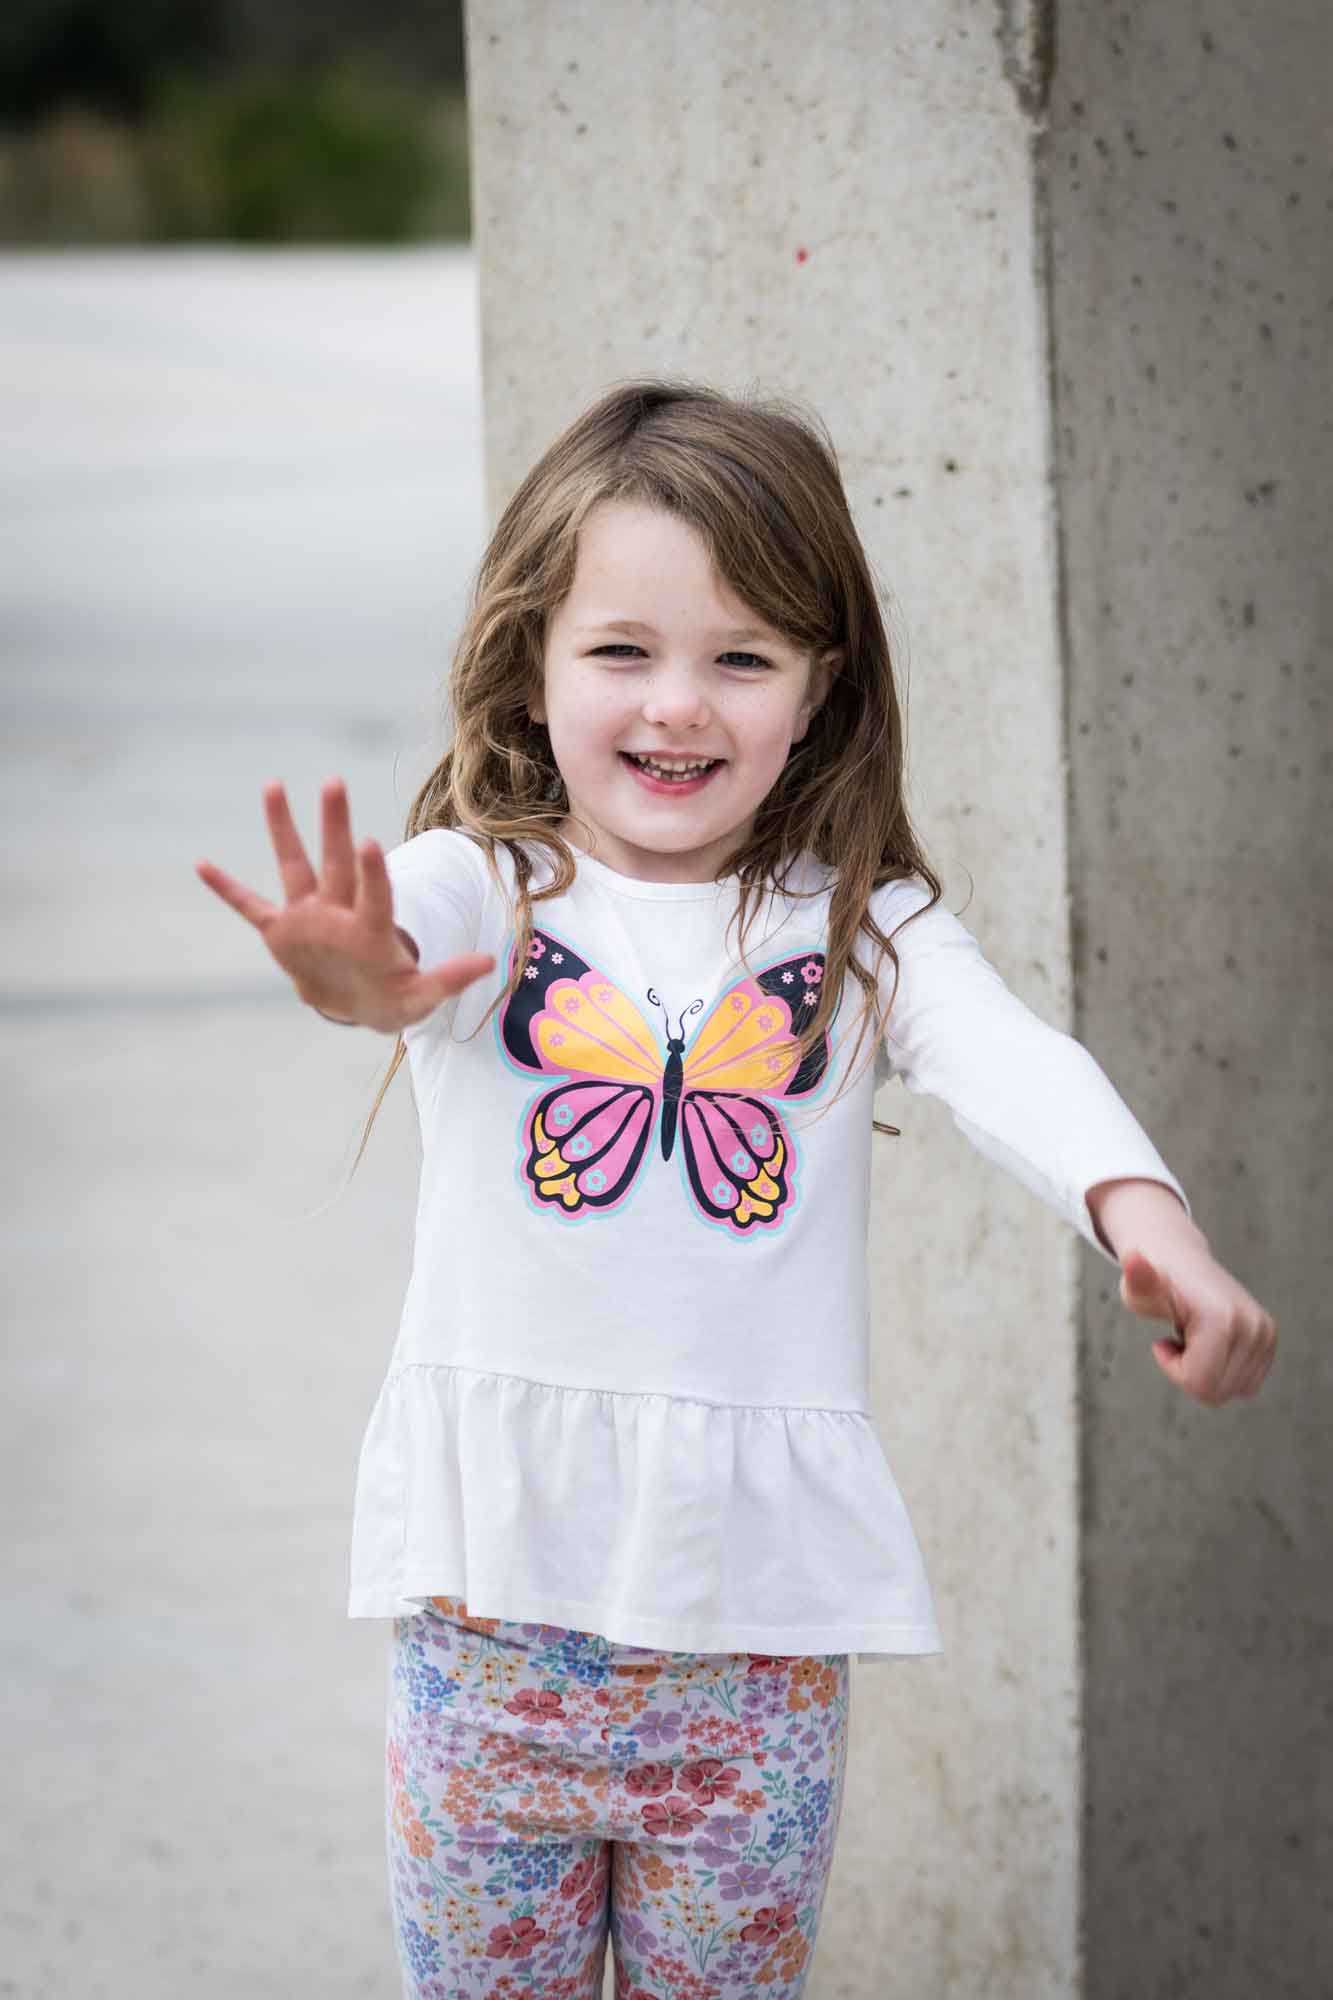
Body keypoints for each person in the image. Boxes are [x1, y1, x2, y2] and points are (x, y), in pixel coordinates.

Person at [195, 379, 1277, 2000]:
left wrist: (1147, 1215)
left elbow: (1010, 1059)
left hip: (753, 1666)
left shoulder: (863, 929)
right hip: (490, 1639)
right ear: (534, 664)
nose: (677, 706)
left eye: (742, 658)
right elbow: (394, 942)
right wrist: (354, 974)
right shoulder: (488, 886)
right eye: (621, 651)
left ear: (820, 687)